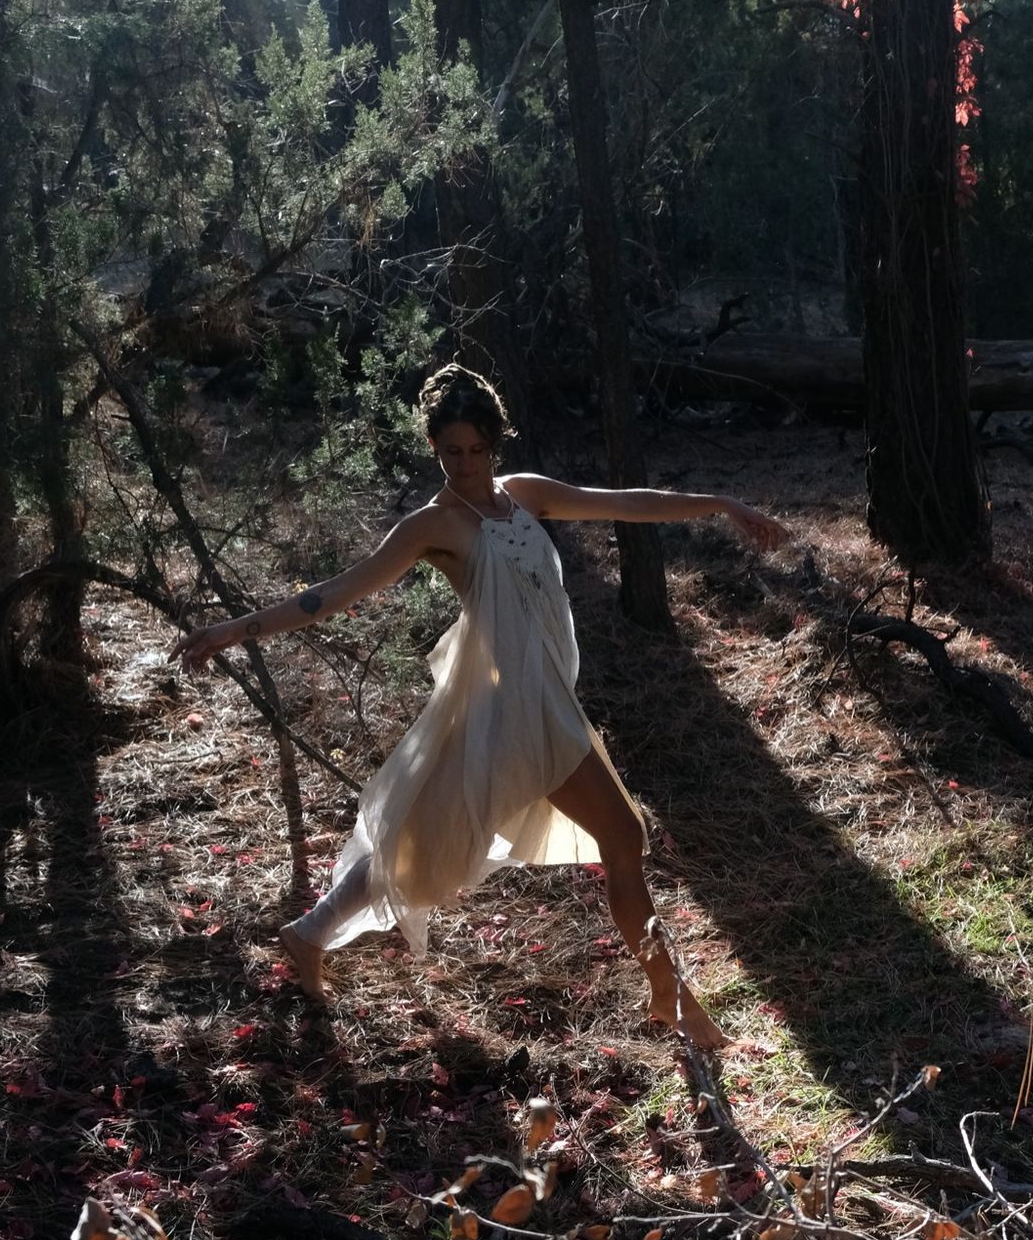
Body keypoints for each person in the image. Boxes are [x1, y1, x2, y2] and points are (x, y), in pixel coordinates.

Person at [168, 365, 788, 1048]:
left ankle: (312, 930)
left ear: (496, 443)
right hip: (523, 711)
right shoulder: (433, 524)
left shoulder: (521, 495)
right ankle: (676, 1001)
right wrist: (234, 629)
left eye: (476, 450)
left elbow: (623, 502)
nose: (464, 466)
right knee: (624, 838)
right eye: (450, 452)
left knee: (430, 828)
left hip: (534, 699)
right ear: (435, 448)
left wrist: (722, 503)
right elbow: (333, 594)